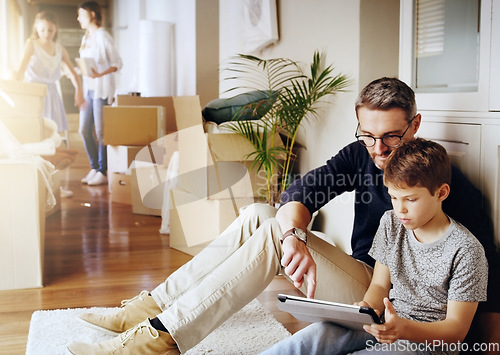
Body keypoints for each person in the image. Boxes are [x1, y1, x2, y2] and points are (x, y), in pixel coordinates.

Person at [67, 78, 500, 354]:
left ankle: (158, 340)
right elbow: (304, 190)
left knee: (274, 230)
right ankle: (150, 308)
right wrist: (293, 235)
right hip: (369, 281)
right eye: (368, 136)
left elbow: (484, 275)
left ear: (415, 125)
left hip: (394, 303)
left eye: (390, 136)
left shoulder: (449, 190)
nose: (379, 150)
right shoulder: (360, 155)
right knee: (262, 214)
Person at [261, 138, 488, 354]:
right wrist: (365, 309)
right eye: (393, 197)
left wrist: (403, 329)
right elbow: (380, 284)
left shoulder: (466, 251)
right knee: (317, 335)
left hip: (424, 344)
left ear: (441, 193)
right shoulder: (391, 222)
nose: (401, 210)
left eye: (410, 199)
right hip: (384, 324)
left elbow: (456, 331)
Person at [13, 10, 85, 198]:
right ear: (37, 28)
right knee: (35, 138)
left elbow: (72, 72)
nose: (46, 33)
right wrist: (15, 98)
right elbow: (19, 72)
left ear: (56, 30)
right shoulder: (31, 45)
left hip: (52, 95)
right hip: (33, 95)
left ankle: (54, 186)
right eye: (43, 29)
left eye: (50, 30)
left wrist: (79, 91)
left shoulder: (59, 48)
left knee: (53, 139)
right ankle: (34, 184)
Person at [77, 1, 122, 186]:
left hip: (102, 89)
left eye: (81, 14)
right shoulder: (86, 37)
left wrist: (99, 74)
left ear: (92, 14)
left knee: (101, 131)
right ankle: (95, 167)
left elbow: (118, 63)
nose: (78, 18)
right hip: (89, 88)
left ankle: (103, 171)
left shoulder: (103, 36)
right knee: (84, 130)